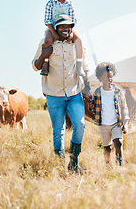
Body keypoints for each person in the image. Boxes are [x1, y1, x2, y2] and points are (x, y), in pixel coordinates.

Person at [32, 14, 91, 174]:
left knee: (80, 125)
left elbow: (85, 67)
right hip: (54, 94)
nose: (65, 29)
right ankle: (59, 166)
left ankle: (73, 162)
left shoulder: (77, 45)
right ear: (56, 29)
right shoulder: (47, 43)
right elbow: (35, 66)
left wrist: (87, 87)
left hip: (74, 93)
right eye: (62, 26)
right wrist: (45, 54)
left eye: (68, 26)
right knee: (58, 130)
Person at [41, 0, 84, 77]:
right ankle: (45, 63)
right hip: (54, 28)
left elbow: (73, 19)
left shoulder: (69, 3)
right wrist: (53, 32)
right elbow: (47, 20)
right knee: (47, 41)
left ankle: (79, 64)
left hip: (68, 27)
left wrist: (70, 32)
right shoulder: (50, 4)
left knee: (79, 40)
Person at [91, 62, 130, 166]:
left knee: (118, 143)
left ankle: (119, 165)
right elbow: (93, 108)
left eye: (110, 77)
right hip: (103, 124)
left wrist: (125, 124)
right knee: (107, 148)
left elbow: (124, 108)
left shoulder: (118, 91)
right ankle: (108, 166)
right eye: (105, 77)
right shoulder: (97, 92)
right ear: (100, 78)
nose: (109, 79)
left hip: (116, 123)